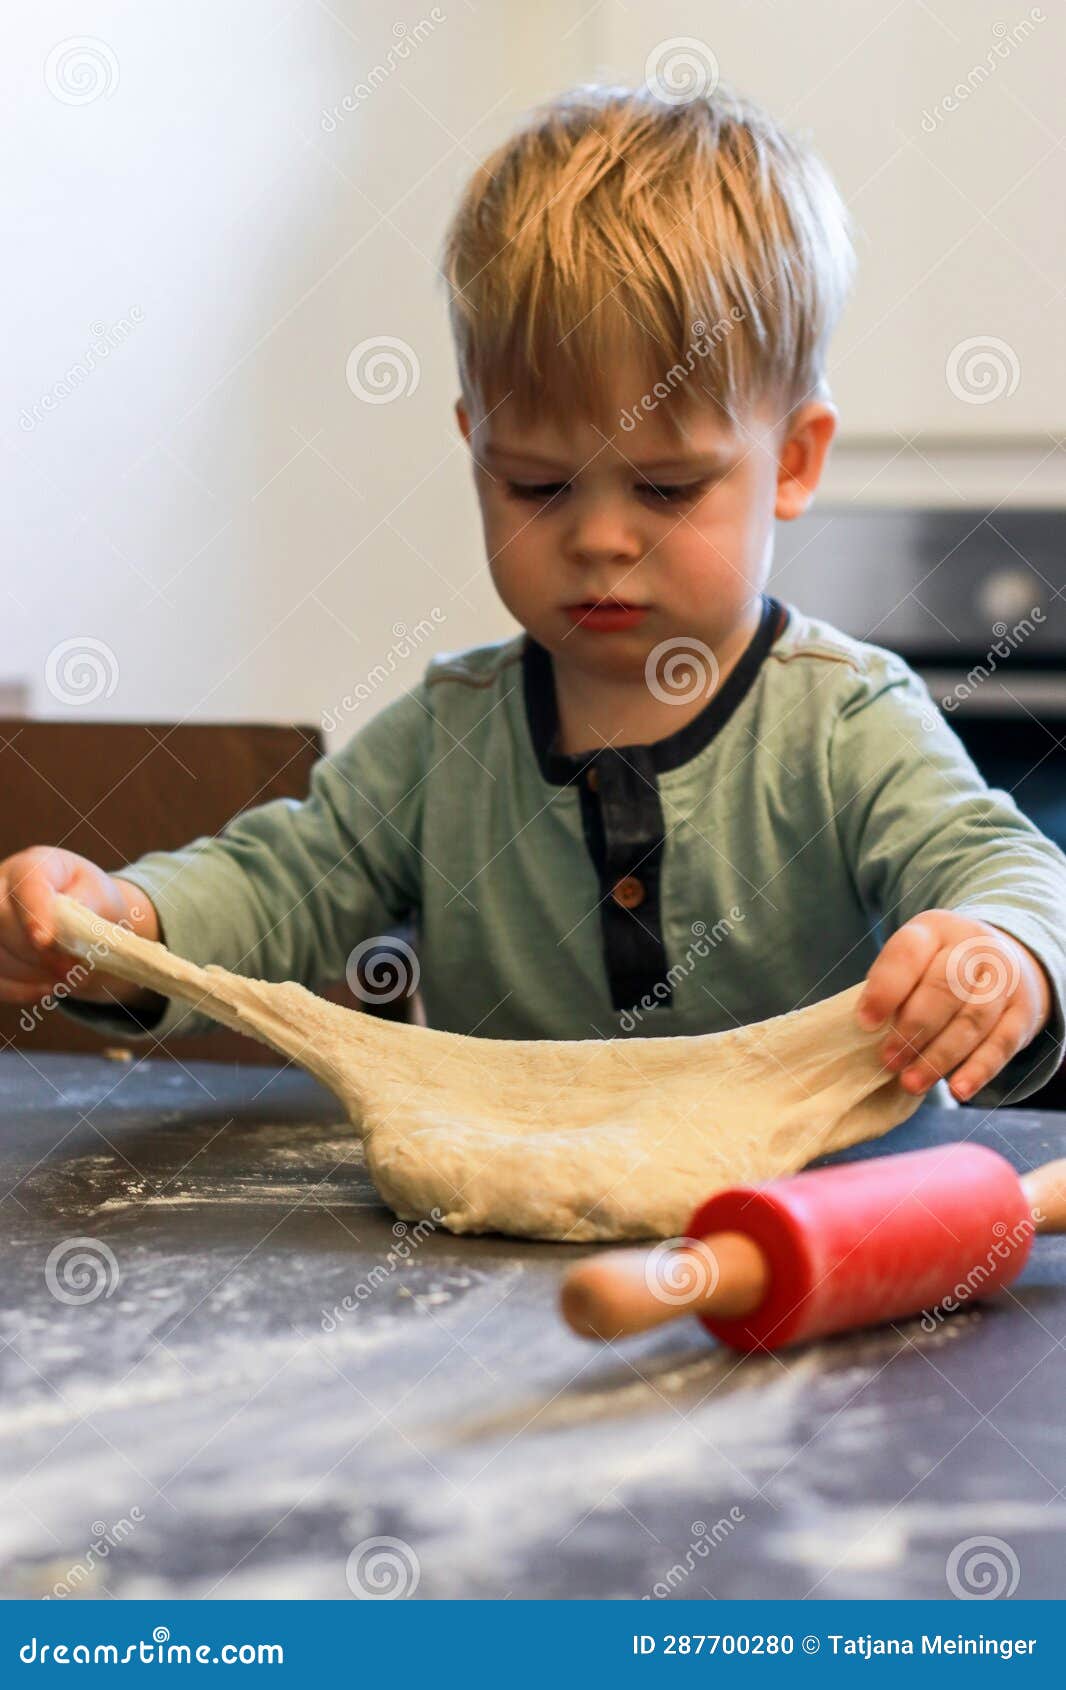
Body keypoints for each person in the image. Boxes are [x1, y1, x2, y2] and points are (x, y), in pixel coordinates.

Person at [2, 82, 1063, 1111]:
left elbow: (1000, 864)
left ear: (792, 460)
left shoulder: (844, 722)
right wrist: (120, 922)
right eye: (537, 485)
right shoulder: (445, 738)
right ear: (474, 449)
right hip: (494, 1260)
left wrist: (1000, 951)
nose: (599, 537)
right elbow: (282, 884)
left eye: (665, 486)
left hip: (816, 1239)